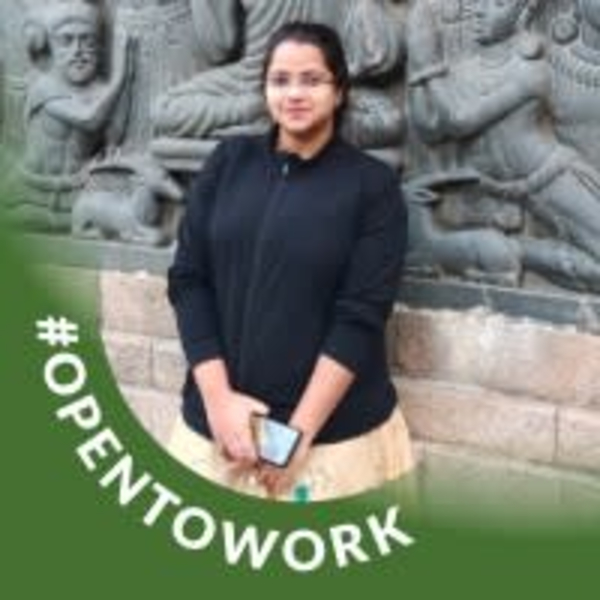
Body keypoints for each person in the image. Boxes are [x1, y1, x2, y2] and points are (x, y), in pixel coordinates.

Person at [167, 21, 413, 501]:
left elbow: (360, 315)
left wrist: (295, 436)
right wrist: (218, 401)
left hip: (327, 439)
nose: (294, 94)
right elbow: (188, 280)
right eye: (280, 80)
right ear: (264, 89)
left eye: (312, 80)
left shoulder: (372, 187)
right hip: (218, 425)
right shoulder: (227, 162)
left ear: (339, 91)